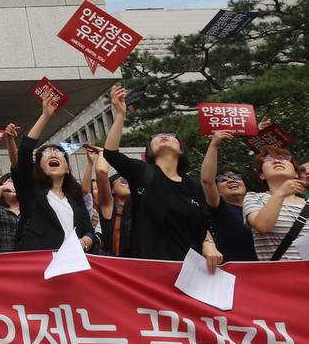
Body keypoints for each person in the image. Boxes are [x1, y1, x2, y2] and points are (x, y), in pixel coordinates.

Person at [103, 86, 222, 272]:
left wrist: (208, 243)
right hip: (152, 272)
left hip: (192, 272)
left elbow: (203, 224)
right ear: (149, 150)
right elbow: (111, 154)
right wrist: (120, 114)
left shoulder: (193, 184)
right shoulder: (143, 173)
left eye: (171, 135)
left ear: (181, 150)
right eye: (156, 137)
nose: (163, 136)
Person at [13, 91, 95, 253]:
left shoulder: (75, 196)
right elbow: (24, 153)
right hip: (39, 265)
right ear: (38, 166)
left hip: (73, 264)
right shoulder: (31, 190)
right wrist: (45, 116)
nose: (53, 155)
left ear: (67, 168)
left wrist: (85, 242)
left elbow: (88, 230)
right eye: (46, 153)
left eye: (59, 154)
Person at [199, 131, 257, 262]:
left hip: (273, 272)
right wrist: (214, 145)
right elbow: (207, 181)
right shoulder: (221, 210)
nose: (231, 180)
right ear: (217, 190)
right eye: (223, 179)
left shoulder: (262, 207)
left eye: (236, 177)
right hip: (237, 275)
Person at [243, 146, 309, 260]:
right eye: (268, 159)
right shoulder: (254, 198)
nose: (277, 161)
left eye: (284, 158)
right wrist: (280, 193)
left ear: (296, 174)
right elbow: (262, 225)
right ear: (262, 175)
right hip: (279, 276)